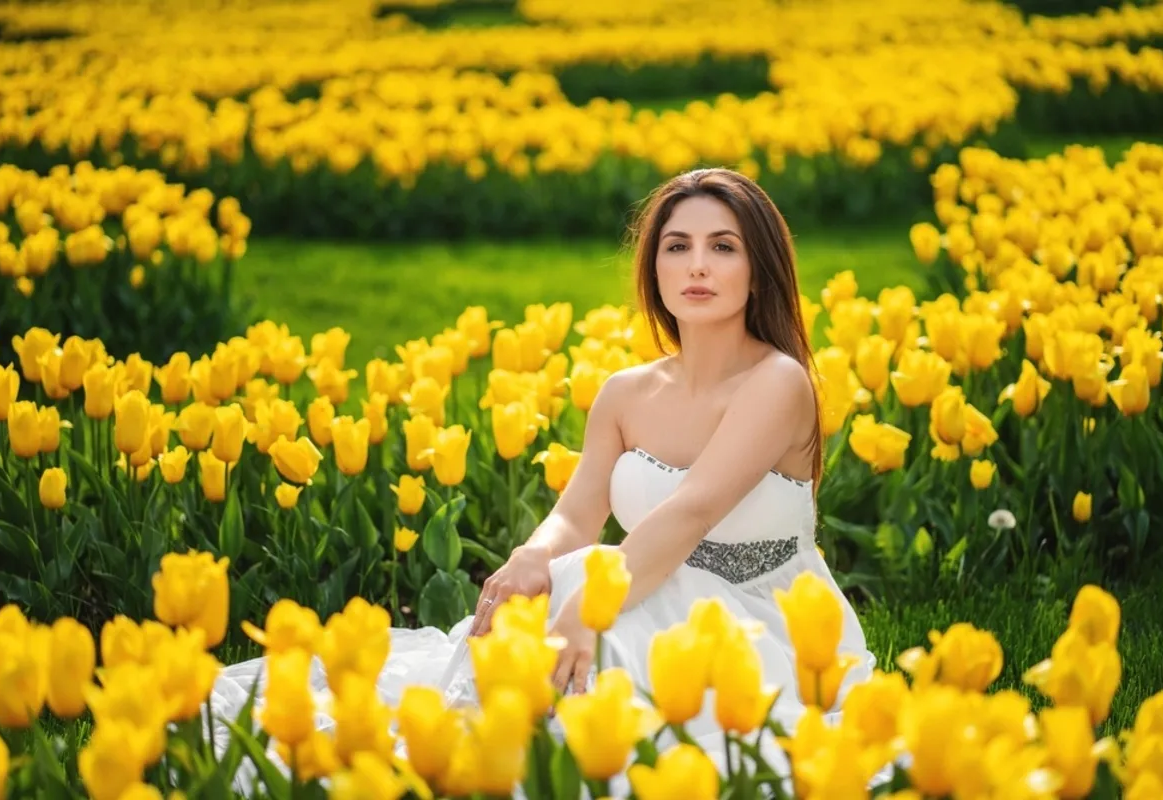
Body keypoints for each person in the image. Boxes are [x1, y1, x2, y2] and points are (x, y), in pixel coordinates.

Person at [208, 167, 877, 787]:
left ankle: (528, 761)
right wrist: (533, 556)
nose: (697, 265)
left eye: (723, 247)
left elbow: (691, 513)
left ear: (759, 271)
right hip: (648, 582)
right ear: (654, 267)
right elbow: (578, 513)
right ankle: (464, 752)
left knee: (593, 610)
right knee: (556, 586)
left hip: (758, 619)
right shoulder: (626, 393)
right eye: (677, 246)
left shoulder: (778, 383)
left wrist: (589, 611)